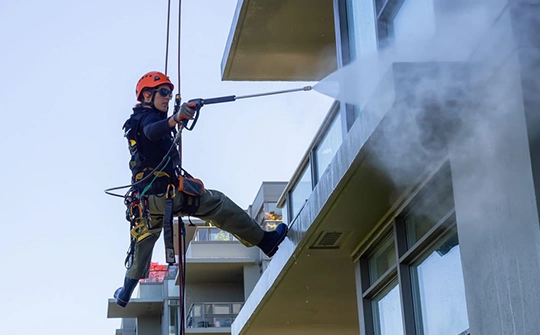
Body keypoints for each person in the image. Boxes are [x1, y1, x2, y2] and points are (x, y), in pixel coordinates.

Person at [113, 71, 288, 307]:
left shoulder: (139, 121)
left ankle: (125, 292)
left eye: (169, 93)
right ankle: (265, 241)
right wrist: (175, 118)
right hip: (164, 196)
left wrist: (176, 118)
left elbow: (155, 133)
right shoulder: (147, 119)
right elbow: (152, 131)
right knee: (217, 203)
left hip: (147, 203)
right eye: (163, 92)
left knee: (142, 242)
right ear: (147, 95)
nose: (167, 97)